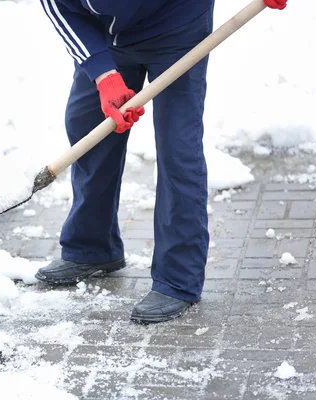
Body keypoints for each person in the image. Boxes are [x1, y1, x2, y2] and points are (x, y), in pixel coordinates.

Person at [35, 0, 288, 323]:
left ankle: (177, 279)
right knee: (87, 130)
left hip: (176, 30)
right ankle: (91, 248)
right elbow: (60, 8)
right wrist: (104, 75)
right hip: (106, 37)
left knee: (177, 147)